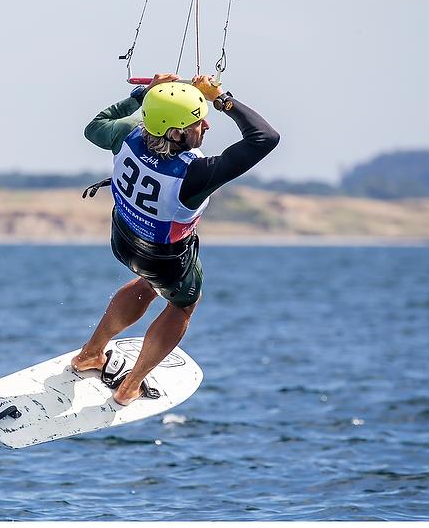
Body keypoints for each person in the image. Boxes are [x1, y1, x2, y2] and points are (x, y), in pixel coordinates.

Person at [73, 73, 280, 405]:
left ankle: (91, 354)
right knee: (183, 304)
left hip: (123, 241)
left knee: (146, 284)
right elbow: (265, 138)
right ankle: (130, 386)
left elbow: (95, 126)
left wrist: (145, 94)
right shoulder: (196, 174)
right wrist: (220, 97)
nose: (206, 128)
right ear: (176, 132)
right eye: (198, 122)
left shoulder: (127, 135)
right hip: (164, 260)